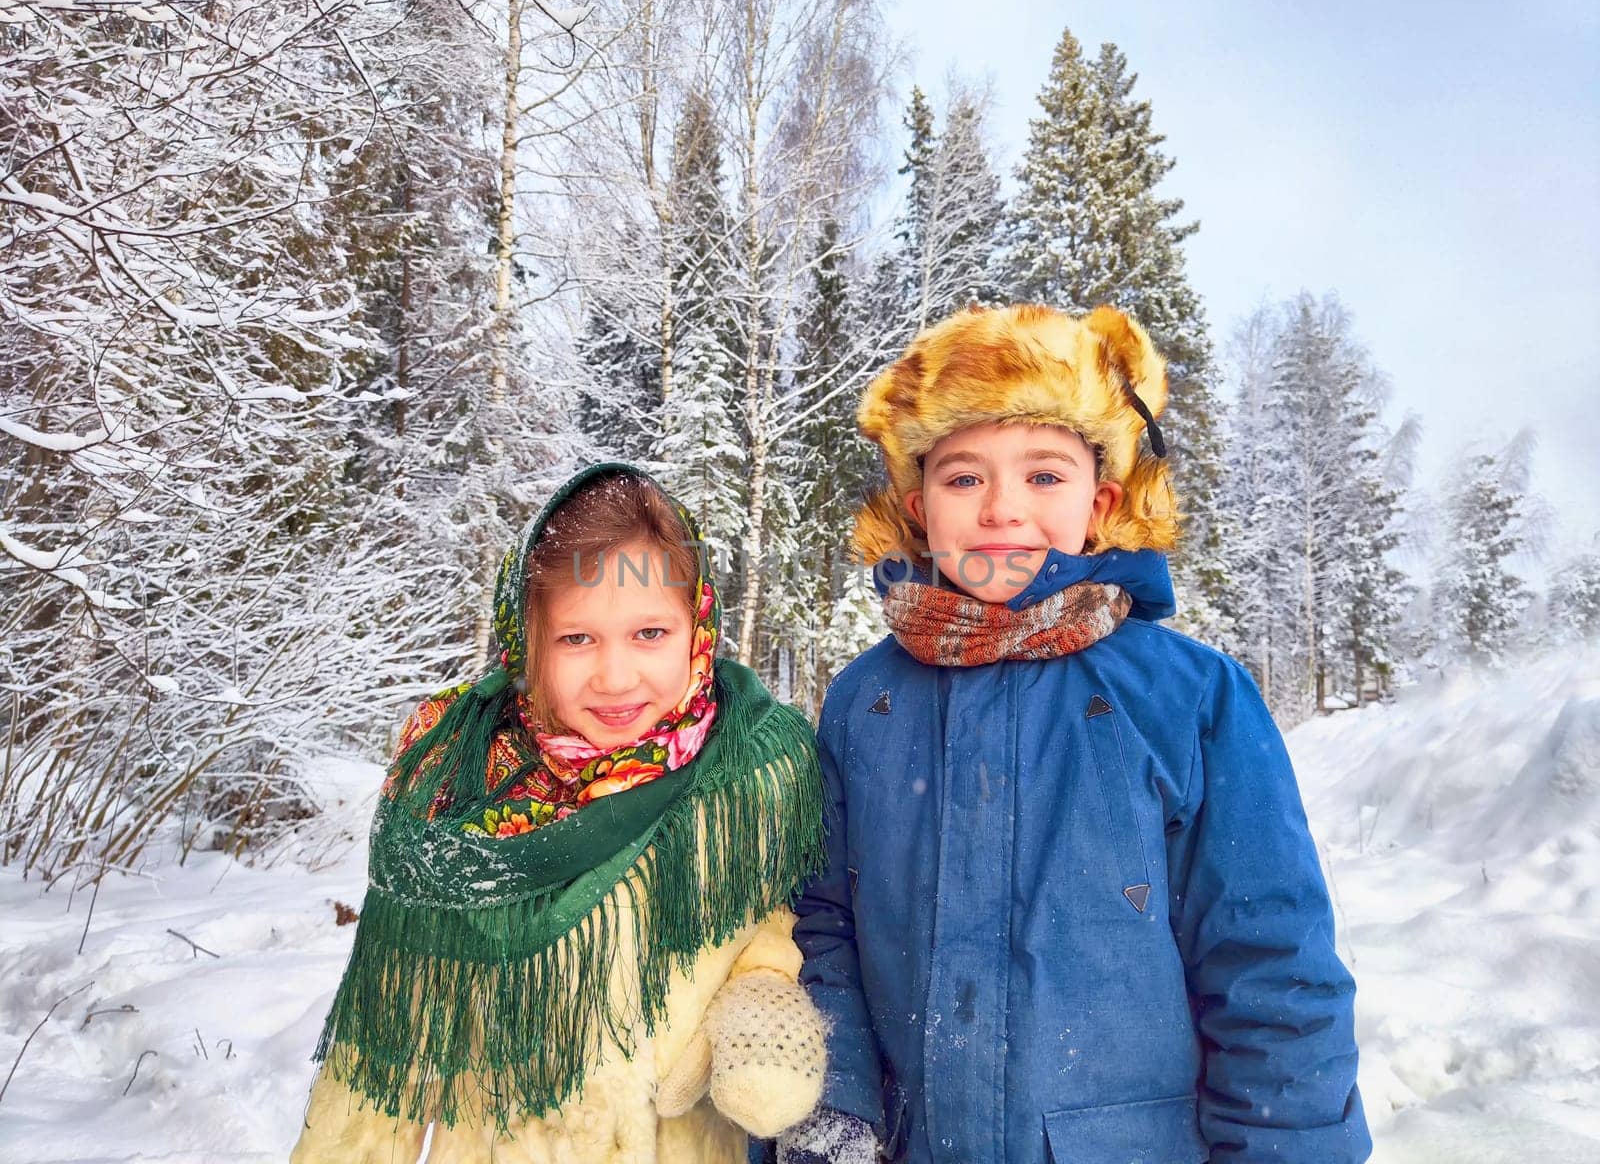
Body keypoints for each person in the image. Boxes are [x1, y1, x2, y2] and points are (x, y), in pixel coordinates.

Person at [782, 305, 1370, 1163]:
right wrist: (833, 1109)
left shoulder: (1189, 696)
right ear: (918, 506)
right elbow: (822, 926)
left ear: (1099, 503)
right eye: (963, 478)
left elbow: (1269, 962)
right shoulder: (865, 700)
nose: (1000, 509)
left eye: (1044, 476)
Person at [293, 462, 828, 1164]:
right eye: (577, 638)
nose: (614, 676)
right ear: (527, 643)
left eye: (649, 634)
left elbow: (775, 919)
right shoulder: (460, 789)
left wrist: (764, 992)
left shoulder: (751, 773)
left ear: (696, 627)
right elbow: (381, 1074)